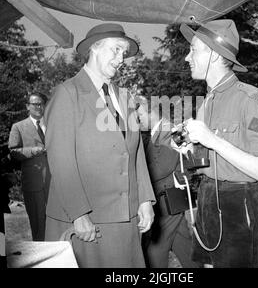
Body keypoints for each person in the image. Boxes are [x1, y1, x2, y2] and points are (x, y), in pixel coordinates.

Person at [44, 23, 155, 268]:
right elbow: (61, 161)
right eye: (116, 50)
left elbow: (135, 154)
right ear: (94, 48)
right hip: (87, 221)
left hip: (126, 218)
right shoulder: (67, 93)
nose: (121, 59)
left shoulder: (124, 96)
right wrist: (79, 214)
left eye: (124, 54)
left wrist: (145, 200)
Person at [175, 19, 258, 268]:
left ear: (213, 54)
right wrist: (189, 150)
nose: (187, 57)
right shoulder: (207, 104)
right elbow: (210, 163)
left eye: (194, 50)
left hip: (241, 205)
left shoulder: (251, 100)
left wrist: (212, 139)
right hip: (208, 199)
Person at [136, 96, 199, 268]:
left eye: (139, 114)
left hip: (167, 203)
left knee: (152, 254)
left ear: (151, 111)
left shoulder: (172, 131)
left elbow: (159, 168)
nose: (137, 119)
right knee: (187, 251)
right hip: (170, 204)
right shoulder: (156, 134)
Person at [8, 92, 49, 241]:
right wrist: (32, 150)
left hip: (56, 183)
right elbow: (13, 151)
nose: (39, 107)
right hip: (34, 183)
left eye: (41, 104)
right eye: (35, 104)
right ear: (28, 106)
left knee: (55, 223)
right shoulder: (18, 127)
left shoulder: (53, 125)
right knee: (38, 224)